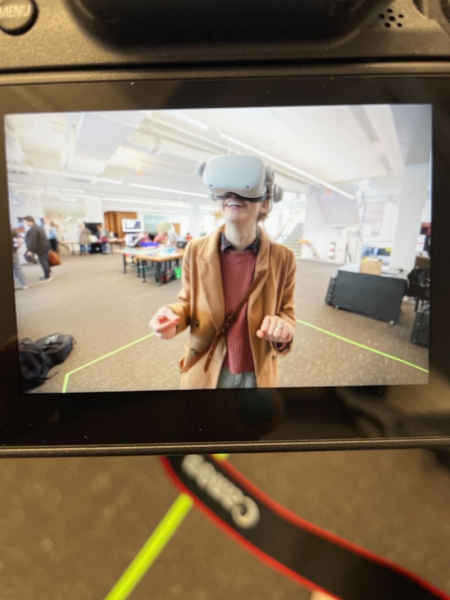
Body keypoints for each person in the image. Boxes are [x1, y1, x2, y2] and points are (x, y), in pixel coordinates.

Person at [149, 154, 296, 389]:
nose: (233, 196)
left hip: (257, 373)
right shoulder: (195, 250)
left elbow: (286, 311)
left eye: (243, 189)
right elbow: (188, 304)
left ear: (266, 202)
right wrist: (172, 316)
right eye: (225, 191)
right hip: (208, 367)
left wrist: (284, 330)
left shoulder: (283, 258)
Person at [23, 216, 52, 282]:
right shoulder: (39, 227)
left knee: (43, 262)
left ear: (29, 221)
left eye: (25, 222)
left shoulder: (33, 229)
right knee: (45, 261)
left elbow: (33, 240)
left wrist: (30, 250)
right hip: (44, 247)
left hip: (40, 248)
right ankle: (48, 273)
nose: (25, 223)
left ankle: (47, 276)